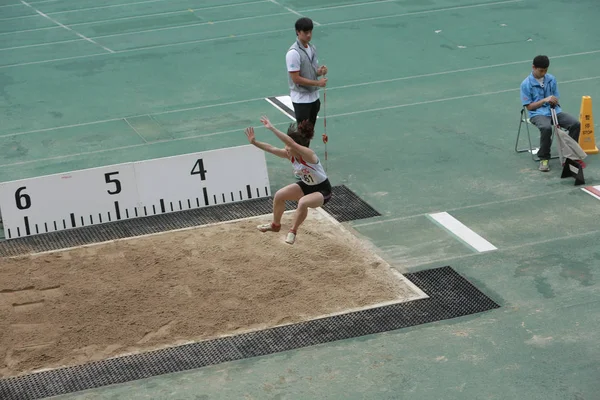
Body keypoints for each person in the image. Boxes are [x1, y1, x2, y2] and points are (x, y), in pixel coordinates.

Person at [244, 116, 332, 245]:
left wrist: (272, 128)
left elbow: (291, 143)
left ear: (296, 147)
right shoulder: (289, 155)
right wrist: (254, 142)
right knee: (279, 195)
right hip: (306, 186)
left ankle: (293, 231)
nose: (285, 148)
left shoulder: (308, 155)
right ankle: (275, 225)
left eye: (287, 146)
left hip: (322, 190)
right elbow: (271, 148)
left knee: (302, 203)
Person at [520, 55, 581, 172]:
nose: (543, 73)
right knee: (546, 127)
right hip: (537, 114)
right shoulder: (526, 84)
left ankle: (571, 155)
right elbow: (529, 107)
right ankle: (544, 158)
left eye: (546, 70)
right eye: (541, 70)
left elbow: (555, 96)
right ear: (533, 67)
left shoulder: (551, 79)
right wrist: (544, 100)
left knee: (575, 124)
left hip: (554, 111)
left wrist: (554, 101)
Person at [286, 17, 328, 140]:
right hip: (301, 99)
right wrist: (318, 83)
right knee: (302, 135)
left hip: (314, 97)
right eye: (305, 32)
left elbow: (312, 70)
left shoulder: (311, 48)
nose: (309, 35)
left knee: (309, 133)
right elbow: (296, 79)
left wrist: (320, 71)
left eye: (310, 31)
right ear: (298, 32)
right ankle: (298, 158)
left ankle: (303, 157)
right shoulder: (293, 53)